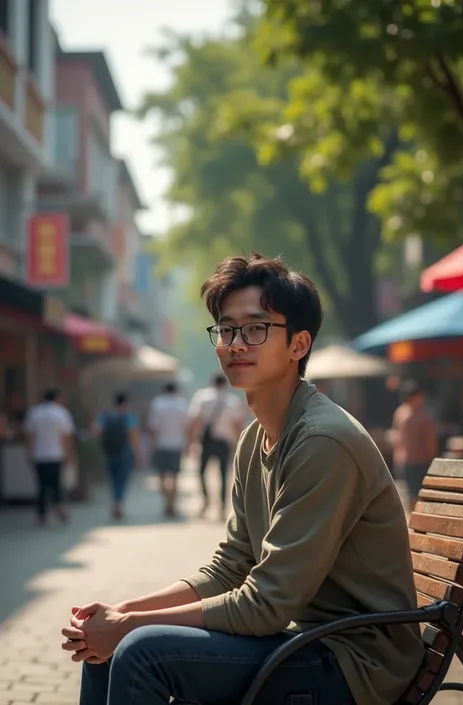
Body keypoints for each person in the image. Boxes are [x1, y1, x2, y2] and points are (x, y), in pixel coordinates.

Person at [63, 253, 424, 705]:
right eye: (226, 329)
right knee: (111, 648)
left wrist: (129, 627)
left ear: (298, 345)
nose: (236, 343)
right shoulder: (256, 438)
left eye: (255, 328)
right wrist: (121, 613)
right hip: (310, 640)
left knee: (140, 650)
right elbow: (231, 567)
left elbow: (265, 605)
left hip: (357, 662)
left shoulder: (322, 442)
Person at [188, 373, 244, 519]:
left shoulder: (201, 397)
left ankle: (206, 499)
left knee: (201, 472)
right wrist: (239, 443)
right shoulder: (232, 401)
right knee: (224, 476)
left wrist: (192, 441)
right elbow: (237, 425)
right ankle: (222, 508)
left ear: (212, 382)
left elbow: (195, 421)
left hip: (206, 441)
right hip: (224, 442)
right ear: (225, 384)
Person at [24, 388, 75, 526]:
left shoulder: (34, 412)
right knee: (56, 483)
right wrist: (70, 454)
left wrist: (30, 452)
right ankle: (58, 507)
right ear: (57, 398)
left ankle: (42, 514)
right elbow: (67, 437)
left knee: (41, 485)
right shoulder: (61, 413)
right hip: (56, 454)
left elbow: (29, 435)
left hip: (39, 455)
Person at [392, 379, 438, 514]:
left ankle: (412, 522)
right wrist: (433, 459)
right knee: (421, 494)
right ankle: (418, 520)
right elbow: (430, 441)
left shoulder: (399, 413)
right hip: (421, 460)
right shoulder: (424, 416)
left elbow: (397, 439)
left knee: (411, 494)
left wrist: (397, 457)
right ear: (415, 396)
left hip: (405, 459)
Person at [93, 392, 140, 521]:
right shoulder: (129, 416)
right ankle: (118, 504)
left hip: (109, 451)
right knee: (122, 479)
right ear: (126, 403)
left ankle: (115, 502)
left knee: (112, 478)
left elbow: (96, 432)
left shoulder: (105, 416)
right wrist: (137, 453)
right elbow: (133, 435)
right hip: (125, 452)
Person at [148, 382, 189, 518]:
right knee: (175, 476)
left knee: (161, 476)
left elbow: (153, 427)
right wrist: (188, 445)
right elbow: (186, 427)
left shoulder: (157, 404)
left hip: (161, 445)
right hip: (177, 445)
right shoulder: (182, 404)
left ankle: (167, 502)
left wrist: (151, 446)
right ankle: (173, 504)